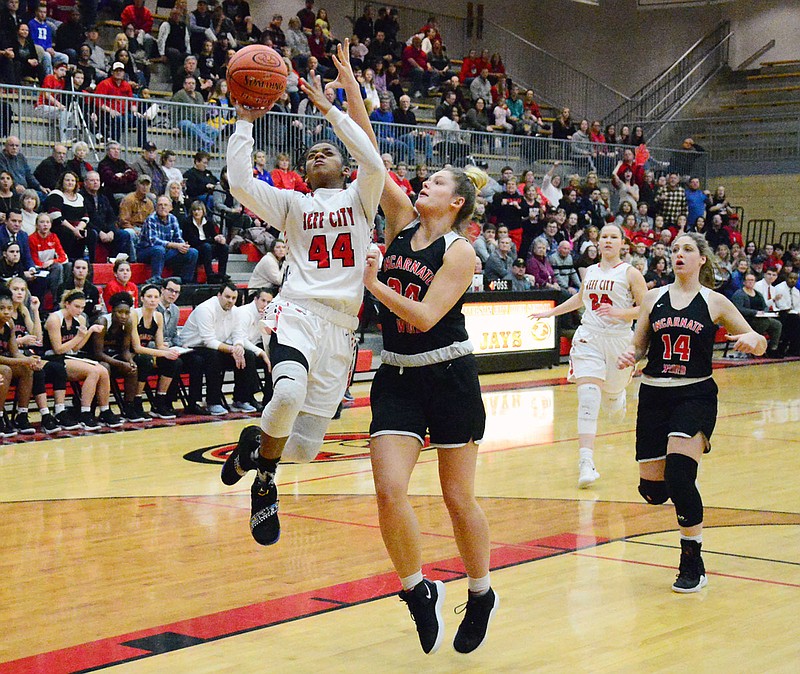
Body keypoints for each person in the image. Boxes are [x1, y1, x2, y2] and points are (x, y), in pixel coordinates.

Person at [219, 42, 383, 548]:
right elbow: (241, 182)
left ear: (341, 164)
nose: (317, 157)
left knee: (307, 448)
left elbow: (373, 161)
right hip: (297, 312)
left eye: (327, 152)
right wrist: (245, 120)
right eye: (310, 154)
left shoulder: (362, 196)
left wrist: (333, 111)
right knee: (286, 393)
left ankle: (253, 451)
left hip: (341, 329)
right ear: (305, 171)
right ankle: (265, 485)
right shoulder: (291, 203)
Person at [361, 152, 497, 651]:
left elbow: (423, 317)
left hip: (448, 375)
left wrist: (373, 284)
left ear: (456, 201)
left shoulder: (459, 251)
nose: (425, 183)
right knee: (388, 489)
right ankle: (417, 590)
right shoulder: (401, 221)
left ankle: (480, 593)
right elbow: (369, 154)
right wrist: (344, 94)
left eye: (437, 182)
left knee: (458, 498)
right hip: (397, 374)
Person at [617, 232, 766, 592]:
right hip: (654, 395)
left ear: (701, 259)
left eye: (686, 250)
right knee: (653, 492)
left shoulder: (715, 302)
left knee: (681, 477)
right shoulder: (653, 298)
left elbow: (759, 342)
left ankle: (692, 560)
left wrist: (753, 342)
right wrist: (629, 356)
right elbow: (639, 345)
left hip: (695, 394)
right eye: (674, 250)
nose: (678, 255)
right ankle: (684, 482)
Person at [530, 223, 648, 487]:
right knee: (588, 398)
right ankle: (586, 462)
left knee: (611, 397)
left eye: (613, 237)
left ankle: (617, 395)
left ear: (622, 244)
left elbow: (645, 309)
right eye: (604, 236)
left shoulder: (630, 273)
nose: (607, 241)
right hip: (589, 337)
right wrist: (551, 312)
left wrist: (620, 313)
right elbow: (580, 299)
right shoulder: (591, 271)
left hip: (618, 341)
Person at [43, 289, 123, 430]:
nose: (80, 310)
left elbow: (76, 347)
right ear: (67, 304)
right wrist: (79, 336)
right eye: (77, 306)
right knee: (93, 372)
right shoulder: (54, 319)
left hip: (70, 355)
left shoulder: (80, 319)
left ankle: (105, 410)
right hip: (53, 358)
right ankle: (85, 413)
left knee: (103, 371)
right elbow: (58, 349)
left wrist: (90, 330)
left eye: (82, 307)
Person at [179, 282, 259, 415]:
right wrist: (232, 350)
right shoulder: (205, 309)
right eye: (227, 297)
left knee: (247, 355)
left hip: (216, 346)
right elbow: (208, 341)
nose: (230, 301)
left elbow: (238, 334)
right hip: (192, 347)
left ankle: (241, 399)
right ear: (219, 295)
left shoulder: (236, 311)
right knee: (214, 356)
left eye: (233, 298)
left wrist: (238, 347)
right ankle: (213, 402)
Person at [7, 276, 73, 433]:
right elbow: (7, 344)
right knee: (36, 370)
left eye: (22, 290)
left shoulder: (23, 311)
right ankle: (39, 414)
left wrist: (35, 311)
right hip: (10, 355)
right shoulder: (5, 312)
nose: (19, 293)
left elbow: (37, 337)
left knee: (58, 369)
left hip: (24, 355)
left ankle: (59, 411)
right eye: (15, 289)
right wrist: (22, 340)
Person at [89, 291, 145, 423]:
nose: (124, 316)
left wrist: (130, 361)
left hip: (112, 355)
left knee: (132, 369)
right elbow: (97, 353)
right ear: (113, 311)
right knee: (105, 367)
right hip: (94, 356)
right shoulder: (102, 322)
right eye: (120, 312)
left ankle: (128, 407)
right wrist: (120, 364)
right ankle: (102, 409)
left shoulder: (128, 323)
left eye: (127, 312)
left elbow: (125, 350)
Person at [129, 284, 184, 419]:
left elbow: (159, 345)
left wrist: (174, 351)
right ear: (142, 298)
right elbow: (136, 348)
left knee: (174, 361)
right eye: (149, 297)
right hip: (128, 354)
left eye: (155, 297)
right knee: (144, 360)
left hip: (145, 352)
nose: (153, 300)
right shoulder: (134, 314)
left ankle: (160, 402)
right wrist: (164, 352)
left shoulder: (158, 316)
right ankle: (136, 401)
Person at [138, 195, 199, 284]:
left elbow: (178, 238)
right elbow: (153, 241)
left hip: (166, 252)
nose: (163, 207)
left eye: (165, 205)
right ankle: (156, 278)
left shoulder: (173, 219)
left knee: (193, 252)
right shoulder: (151, 219)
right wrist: (175, 245)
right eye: (160, 205)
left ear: (170, 207)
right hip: (146, 251)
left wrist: (183, 246)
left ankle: (185, 281)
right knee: (159, 249)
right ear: (156, 207)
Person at [43, 170, 96, 262]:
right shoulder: (56, 194)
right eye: (67, 180)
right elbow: (56, 216)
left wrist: (79, 228)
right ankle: (69, 261)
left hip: (77, 227)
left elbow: (85, 217)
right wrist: (73, 230)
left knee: (91, 234)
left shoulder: (80, 197)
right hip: (61, 226)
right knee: (67, 233)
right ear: (62, 181)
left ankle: (89, 263)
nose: (70, 183)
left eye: (73, 180)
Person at [233, 287, 274, 406]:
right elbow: (241, 338)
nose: (265, 305)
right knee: (249, 355)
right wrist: (261, 352)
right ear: (256, 299)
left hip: (253, 346)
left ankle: (268, 398)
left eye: (269, 302)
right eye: (263, 301)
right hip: (236, 345)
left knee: (272, 355)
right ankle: (247, 397)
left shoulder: (267, 314)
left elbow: (266, 338)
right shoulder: (244, 312)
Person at [731, 271, 782, 358]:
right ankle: (755, 345)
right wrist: (754, 312)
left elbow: (765, 306)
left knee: (777, 324)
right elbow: (738, 309)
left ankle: (772, 348)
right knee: (764, 323)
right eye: (748, 280)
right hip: (746, 320)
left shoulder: (758, 294)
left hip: (760, 318)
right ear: (744, 282)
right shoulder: (739, 294)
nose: (751, 282)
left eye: (752, 280)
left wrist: (764, 312)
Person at [181, 199, 228, 283]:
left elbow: (214, 235)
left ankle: (222, 274)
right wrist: (213, 240)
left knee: (224, 247)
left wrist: (220, 238)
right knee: (206, 246)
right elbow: (193, 241)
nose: (196, 212)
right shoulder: (187, 222)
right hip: (195, 248)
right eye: (194, 210)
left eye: (199, 210)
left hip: (207, 247)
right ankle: (210, 275)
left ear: (203, 211)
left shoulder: (208, 222)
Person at [27, 212, 66, 302]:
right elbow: (33, 259)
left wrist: (52, 261)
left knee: (64, 266)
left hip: (50, 266)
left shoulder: (54, 237)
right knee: (57, 268)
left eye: (48, 222)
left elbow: (63, 256)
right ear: (37, 225)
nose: (45, 224)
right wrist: (44, 265)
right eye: (42, 222)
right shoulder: (31, 239)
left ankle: (58, 299)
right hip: (38, 268)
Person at [156, 276, 182, 347]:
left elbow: (173, 334)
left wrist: (182, 344)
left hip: (169, 348)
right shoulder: (153, 307)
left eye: (176, 292)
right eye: (170, 290)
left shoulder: (175, 310)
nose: (173, 294)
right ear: (162, 290)